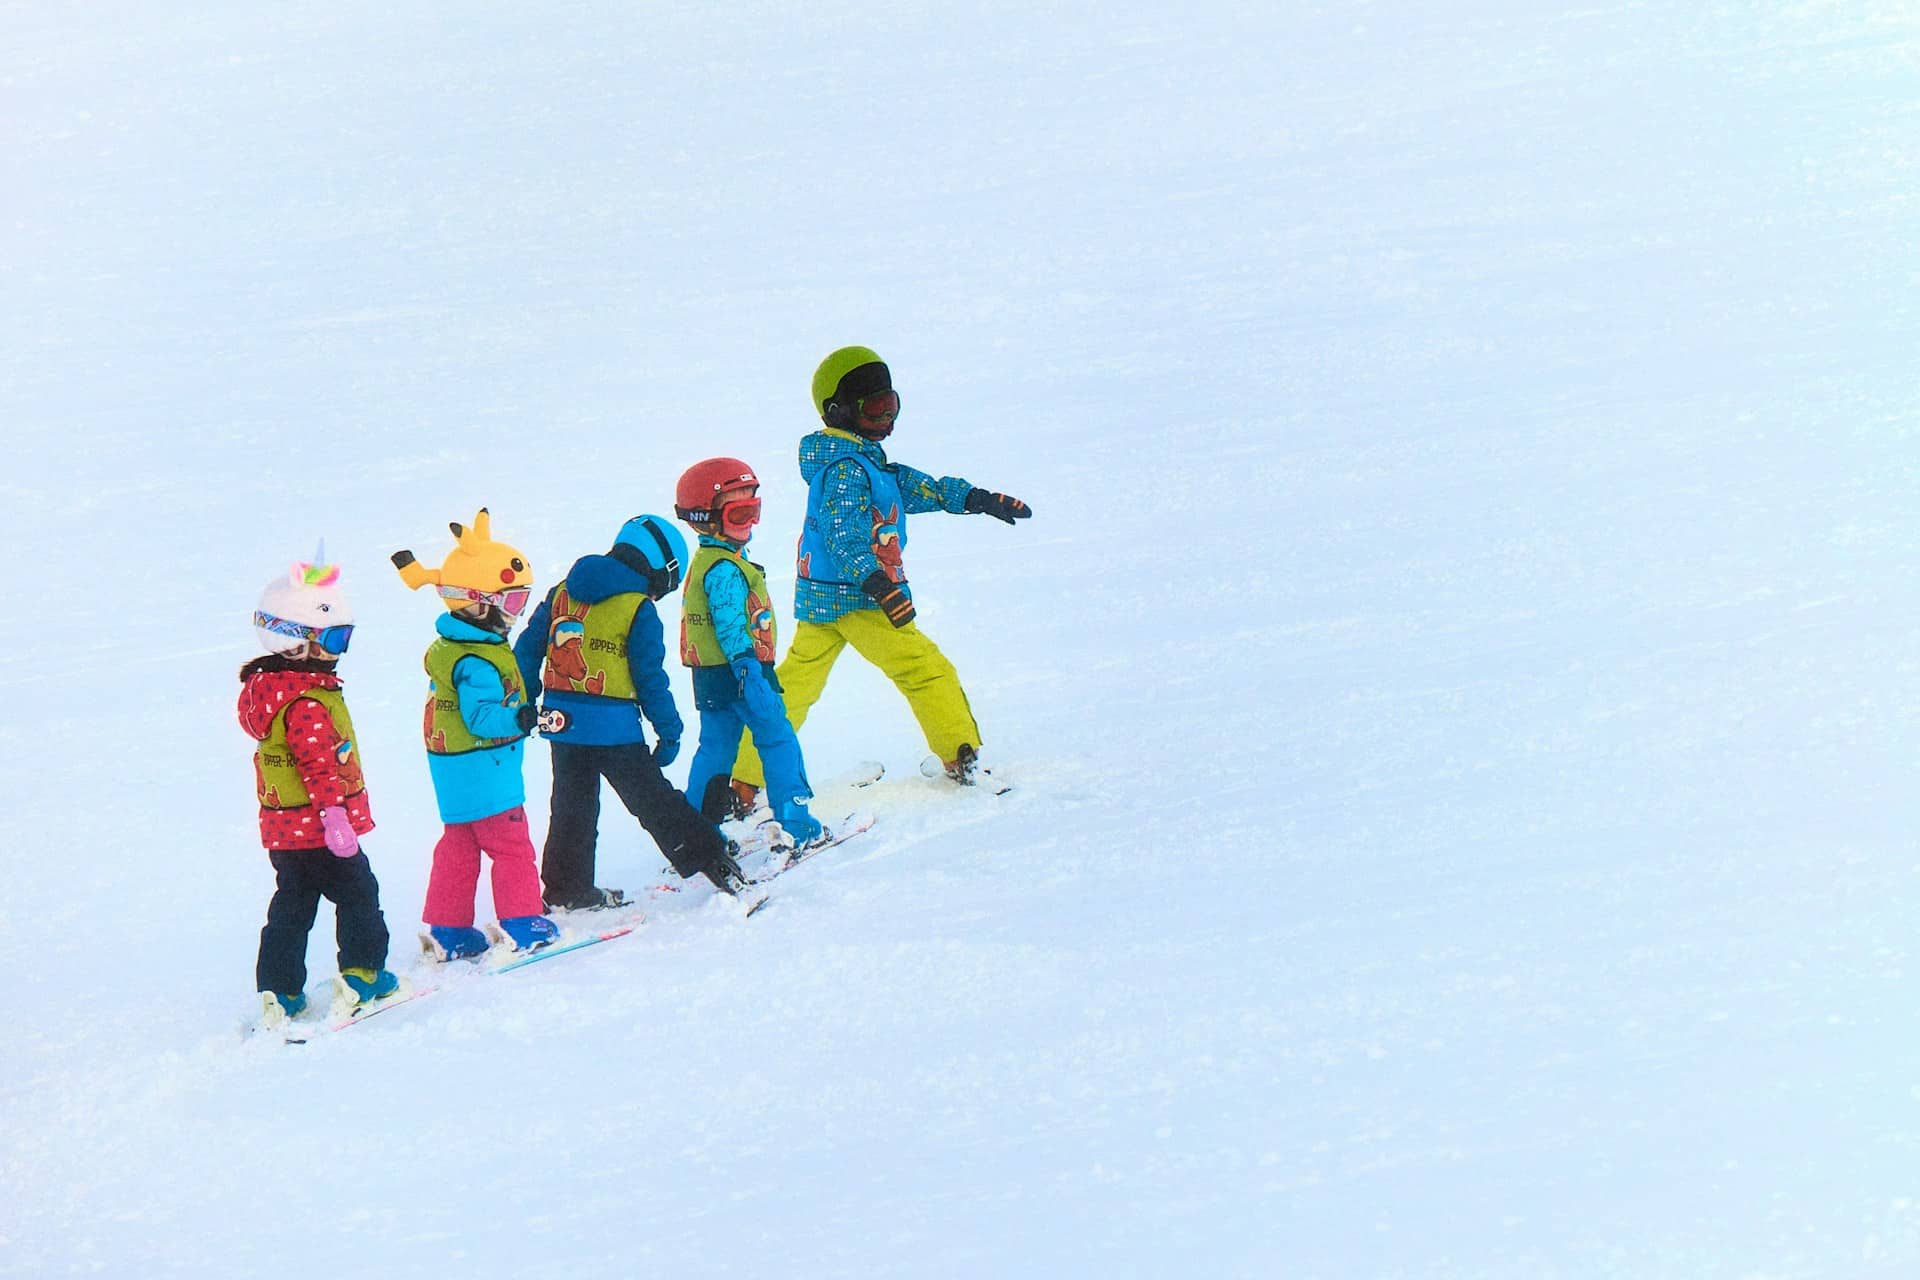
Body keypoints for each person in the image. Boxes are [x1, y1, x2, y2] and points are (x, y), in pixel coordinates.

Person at [728, 346, 1032, 807]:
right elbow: (843, 535)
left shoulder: (863, 459)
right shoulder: (848, 468)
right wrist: (878, 585)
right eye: (874, 408)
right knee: (923, 669)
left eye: (892, 405)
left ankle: (744, 778)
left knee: (795, 685)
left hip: (823, 595)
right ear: (840, 411)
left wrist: (978, 498)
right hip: (860, 597)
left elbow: (918, 486)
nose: (887, 418)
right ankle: (960, 754)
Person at [512, 513, 750, 903]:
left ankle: (567, 888)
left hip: (561, 724)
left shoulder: (562, 592)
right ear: (661, 570)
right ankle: (712, 857)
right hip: (614, 730)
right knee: (653, 800)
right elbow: (650, 679)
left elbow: (526, 650)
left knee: (572, 808)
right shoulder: (639, 608)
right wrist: (669, 730)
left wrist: (525, 700)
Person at [239, 551, 400, 1026]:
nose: (339, 649)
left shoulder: (270, 691)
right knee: (359, 894)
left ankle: (280, 990)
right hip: (322, 829)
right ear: (295, 644)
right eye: (333, 638)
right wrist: (335, 819)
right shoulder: (307, 701)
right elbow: (319, 767)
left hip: (284, 832)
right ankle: (364, 976)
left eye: (344, 637)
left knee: (291, 904)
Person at [392, 509, 558, 958]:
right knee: (512, 847)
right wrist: (520, 719)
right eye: (512, 603)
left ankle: (449, 928)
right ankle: (524, 923)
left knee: (459, 846)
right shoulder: (478, 660)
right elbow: (481, 718)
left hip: (453, 771)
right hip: (486, 769)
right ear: (477, 602)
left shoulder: (454, 649)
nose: (516, 615)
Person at [673, 457, 825, 845]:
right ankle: (796, 823)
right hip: (742, 672)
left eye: (754, 510)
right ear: (703, 518)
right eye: (740, 514)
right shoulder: (724, 569)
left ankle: (697, 833)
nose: (751, 524)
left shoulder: (708, 561)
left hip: (711, 677)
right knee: (777, 738)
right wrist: (747, 669)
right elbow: (729, 623)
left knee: (716, 750)